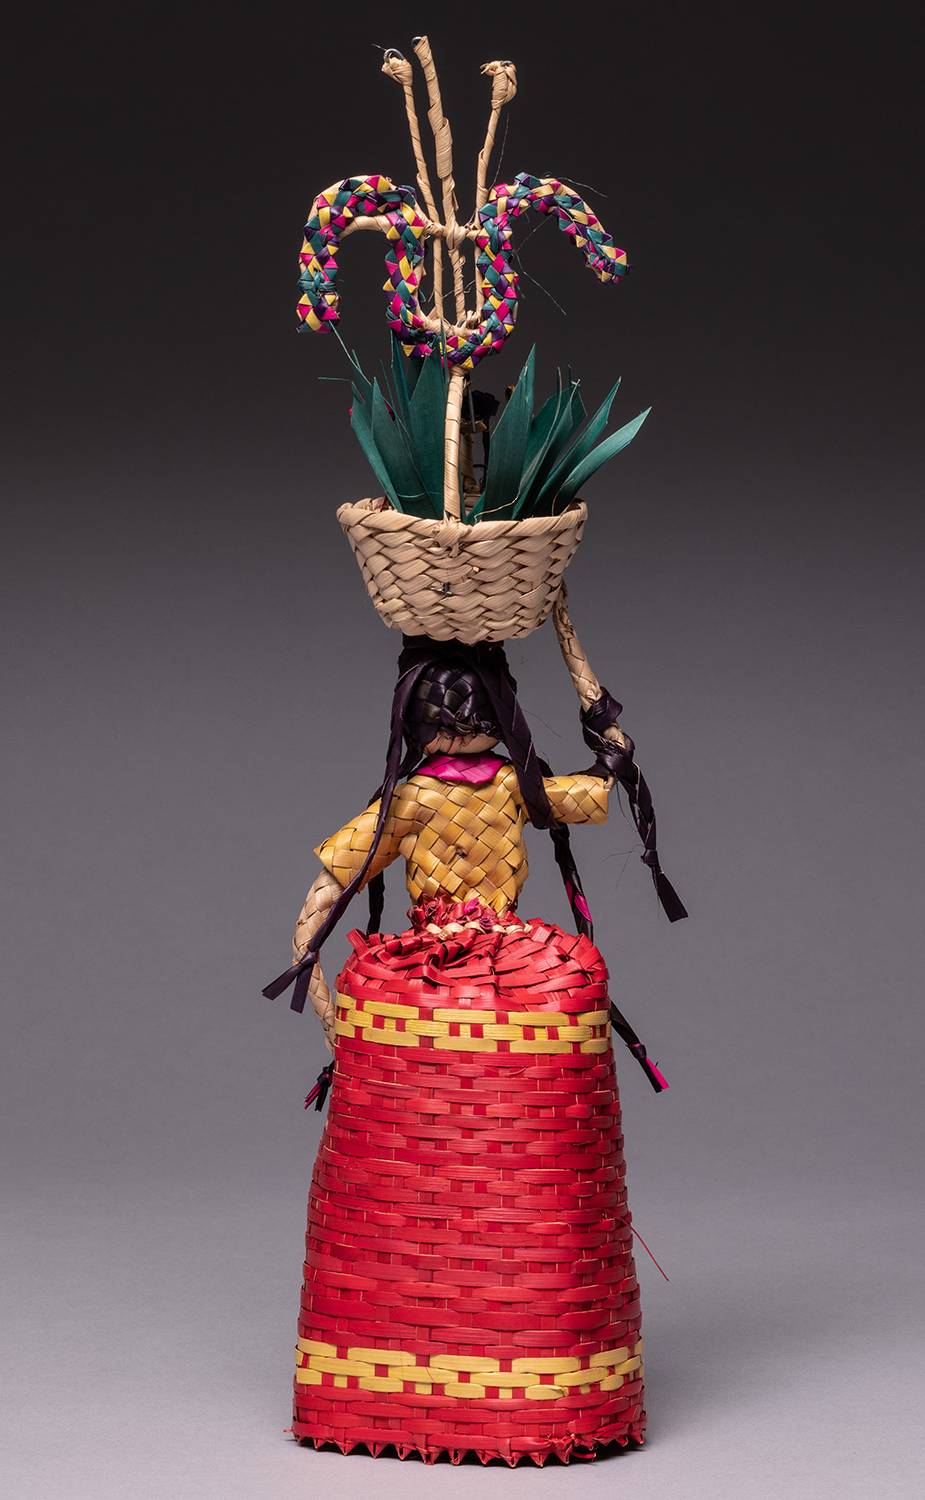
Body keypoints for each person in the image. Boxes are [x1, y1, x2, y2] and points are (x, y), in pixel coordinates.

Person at [268, 642, 659, 1464]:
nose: (456, 735)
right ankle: (387, 1379)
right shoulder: (436, 796)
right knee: (404, 1189)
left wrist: (323, 990)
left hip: (497, 977)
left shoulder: (465, 793)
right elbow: (595, 792)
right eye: (445, 721)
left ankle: (503, 1374)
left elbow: (327, 893)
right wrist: (614, 752)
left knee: (532, 1180)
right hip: (467, 971)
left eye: (465, 719)